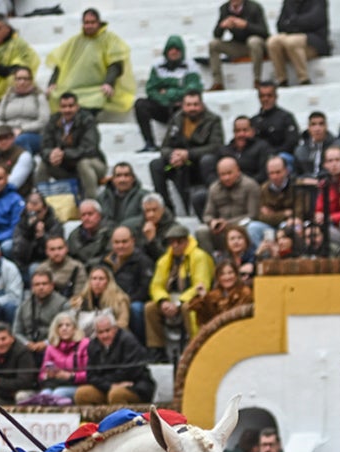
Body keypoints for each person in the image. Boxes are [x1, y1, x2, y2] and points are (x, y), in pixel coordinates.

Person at [42, 8, 135, 115]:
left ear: (98, 22)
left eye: (92, 22)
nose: (89, 25)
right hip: (71, 88)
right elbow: (60, 62)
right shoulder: (75, 41)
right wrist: (52, 83)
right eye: (86, 23)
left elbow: (115, 64)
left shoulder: (110, 39)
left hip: (95, 90)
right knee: (57, 96)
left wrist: (108, 83)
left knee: (99, 98)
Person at [153, 90, 226, 215]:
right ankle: (167, 209)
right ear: (183, 105)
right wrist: (173, 155)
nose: (192, 108)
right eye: (188, 105)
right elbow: (165, 147)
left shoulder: (213, 120)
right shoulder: (176, 119)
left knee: (206, 160)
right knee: (156, 165)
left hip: (198, 164)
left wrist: (188, 154)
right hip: (179, 162)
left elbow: (216, 146)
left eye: (195, 104)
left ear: (201, 105)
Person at [147, 224, 213, 361]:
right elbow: (156, 285)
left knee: (188, 308)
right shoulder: (164, 260)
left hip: (190, 298)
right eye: (172, 242)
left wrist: (178, 303)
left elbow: (201, 284)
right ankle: (157, 350)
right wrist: (163, 301)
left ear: (187, 240)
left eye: (179, 241)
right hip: (170, 298)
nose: (175, 245)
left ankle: (195, 343)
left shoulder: (199, 257)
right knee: (150, 308)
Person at [38, 91, 109, 200]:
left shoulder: (87, 120)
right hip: (66, 167)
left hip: (93, 164)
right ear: (59, 108)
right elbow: (44, 146)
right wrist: (51, 154)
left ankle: (91, 204)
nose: (67, 110)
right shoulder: (53, 121)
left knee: (83, 164)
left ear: (77, 107)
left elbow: (90, 148)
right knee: (44, 165)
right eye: (64, 106)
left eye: (71, 106)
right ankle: (41, 203)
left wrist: (64, 154)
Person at [135, 36, 201, 153]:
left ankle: (181, 144)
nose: (174, 52)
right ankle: (149, 143)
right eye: (171, 49)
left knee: (189, 106)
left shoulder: (190, 66)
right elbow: (151, 89)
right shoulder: (157, 66)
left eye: (177, 49)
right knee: (140, 104)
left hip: (180, 107)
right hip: (163, 106)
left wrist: (169, 91)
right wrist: (166, 98)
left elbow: (193, 88)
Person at [72, 309, 151, 405]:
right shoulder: (93, 345)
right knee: (82, 394)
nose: (105, 335)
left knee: (116, 394)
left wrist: (112, 385)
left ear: (115, 329)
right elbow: (91, 376)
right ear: (96, 333)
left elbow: (131, 371)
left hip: (134, 386)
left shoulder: (128, 341)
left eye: (107, 330)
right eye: (100, 332)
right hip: (106, 387)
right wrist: (110, 385)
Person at [264, 0, 330, 89]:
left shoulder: (318, 1)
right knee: (272, 42)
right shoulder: (288, 2)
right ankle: (282, 80)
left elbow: (314, 21)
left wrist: (292, 21)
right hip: (291, 35)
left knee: (292, 41)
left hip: (313, 41)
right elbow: (280, 25)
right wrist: (296, 23)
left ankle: (304, 79)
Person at [208, 1, 269, 93]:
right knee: (213, 44)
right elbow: (217, 35)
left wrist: (246, 25)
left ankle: (257, 80)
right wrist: (222, 26)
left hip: (256, 45)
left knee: (253, 41)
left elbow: (264, 32)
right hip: (238, 46)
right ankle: (218, 83)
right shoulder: (224, 8)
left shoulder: (254, 7)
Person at [0, 322, 36, 404]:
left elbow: (25, 382)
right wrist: (6, 390)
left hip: (21, 393)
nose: (0, 343)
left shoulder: (23, 351)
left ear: (12, 338)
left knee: (21, 396)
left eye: (3, 339)